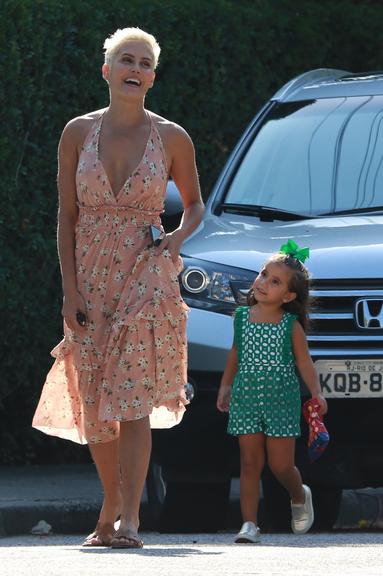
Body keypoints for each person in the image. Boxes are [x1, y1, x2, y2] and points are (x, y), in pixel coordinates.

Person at [32, 26, 204, 548]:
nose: (135, 69)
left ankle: (129, 518)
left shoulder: (172, 137)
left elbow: (196, 205)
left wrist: (175, 240)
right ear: (106, 70)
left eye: (145, 63)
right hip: (89, 277)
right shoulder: (77, 132)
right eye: (126, 60)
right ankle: (110, 500)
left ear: (152, 77)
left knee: (132, 394)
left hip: (147, 273)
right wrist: (69, 290)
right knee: (94, 399)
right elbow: (65, 217)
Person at [216, 240, 327, 543]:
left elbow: (304, 363)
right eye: (264, 274)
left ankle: (298, 493)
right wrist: (226, 385)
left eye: (274, 281)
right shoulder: (241, 318)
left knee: (281, 466)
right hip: (246, 396)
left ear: (289, 296)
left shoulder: (290, 325)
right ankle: (249, 524)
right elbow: (236, 353)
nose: (263, 282)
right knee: (250, 462)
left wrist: (317, 394)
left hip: (282, 399)